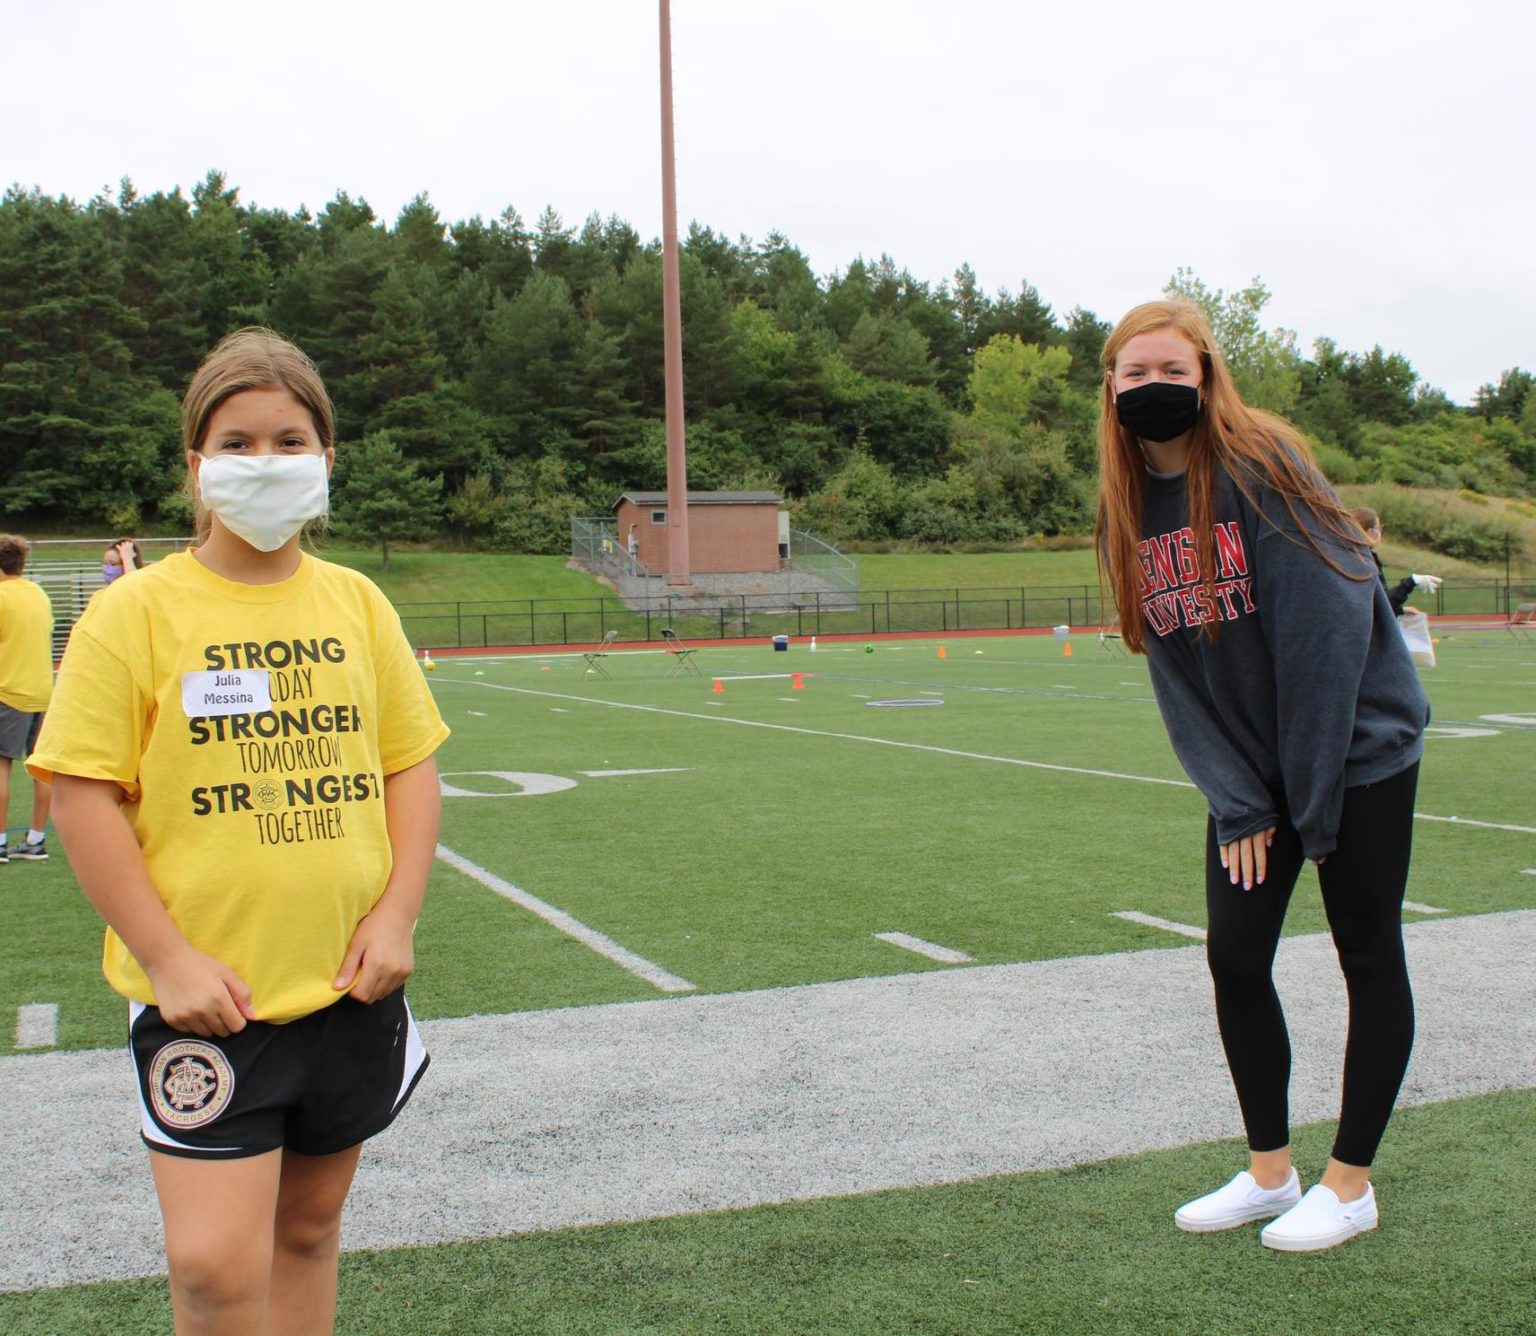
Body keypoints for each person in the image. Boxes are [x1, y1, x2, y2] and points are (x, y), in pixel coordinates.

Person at [29, 328, 450, 1333]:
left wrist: (397, 916)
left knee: (307, 1230)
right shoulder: (136, 611)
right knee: (215, 1267)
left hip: (349, 985)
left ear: (327, 458)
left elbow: (410, 765)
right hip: (208, 1003)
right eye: (239, 439)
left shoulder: (358, 603)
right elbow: (81, 795)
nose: (267, 461)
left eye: (291, 438)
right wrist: (167, 958)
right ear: (196, 463)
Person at [1096, 300, 1430, 1253]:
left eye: (1173, 371)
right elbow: (1171, 666)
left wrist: (1311, 800)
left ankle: (1351, 1183)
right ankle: (1271, 1174)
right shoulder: (1122, 506)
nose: (1153, 388)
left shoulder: (1261, 465)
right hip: (1257, 771)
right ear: (1110, 386)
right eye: (1135, 374)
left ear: (1206, 376)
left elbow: (1323, 638)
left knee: (1366, 952)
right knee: (1236, 956)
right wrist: (1243, 798)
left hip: (1354, 751)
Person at [0, 533, 54, 863]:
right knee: (40, 768)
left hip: (7, 690)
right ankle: (36, 839)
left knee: (1, 766)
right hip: (42, 692)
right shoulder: (37, 593)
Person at [1350, 507, 1441, 615]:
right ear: (1370, 532)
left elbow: (1369, 606)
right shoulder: (1364, 562)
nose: (1380, 533)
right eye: (1379, 528)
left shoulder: (1348, 556)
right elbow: (1382, 605)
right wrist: (1411, 581)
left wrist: (1401, 610)